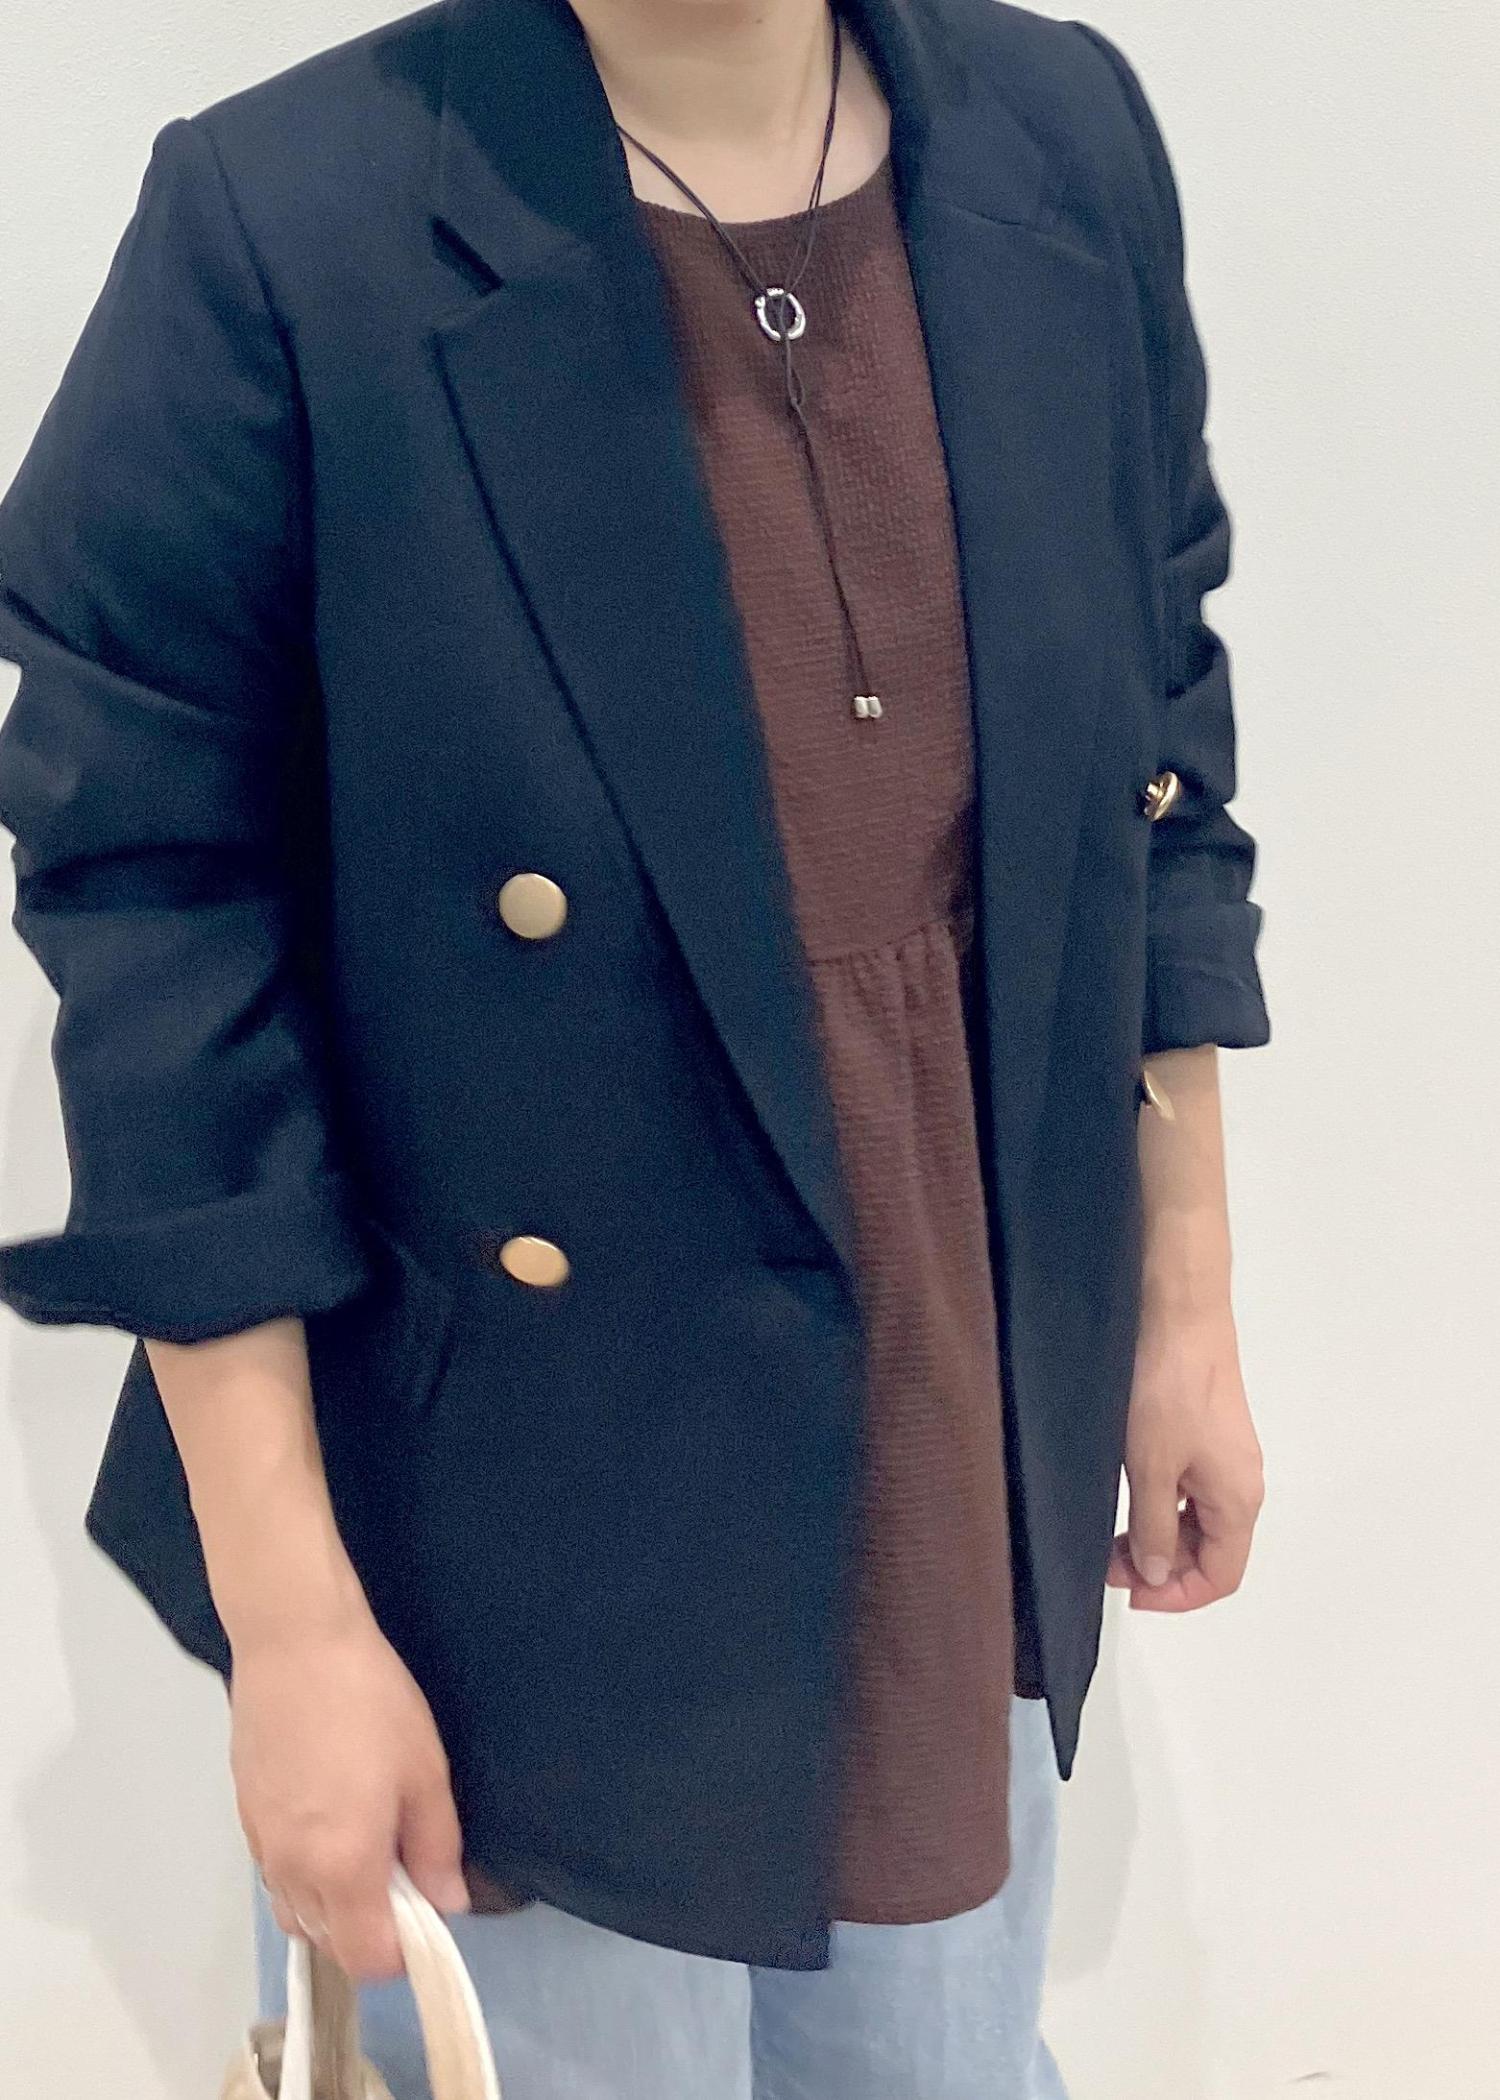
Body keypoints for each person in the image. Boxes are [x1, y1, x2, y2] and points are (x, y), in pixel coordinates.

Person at [0, 0, 1270, 2090]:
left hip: (951, 1418)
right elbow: (158, 929)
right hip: (514, 1510)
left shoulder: (1059, 131)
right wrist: (294, 1624)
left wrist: (1180, 1307)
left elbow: (1156, 746)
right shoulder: (287, 222)